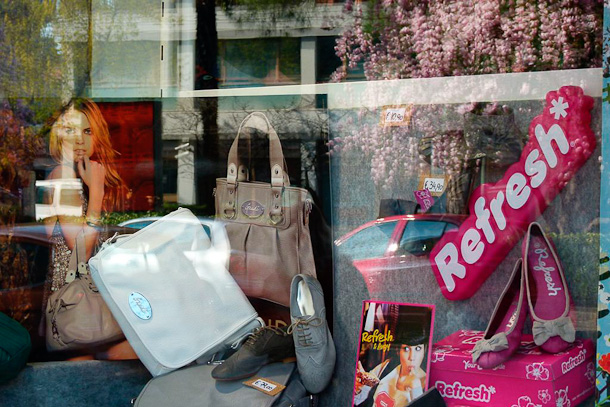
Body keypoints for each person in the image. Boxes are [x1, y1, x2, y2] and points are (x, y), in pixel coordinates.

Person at [42, 98, 135, 360]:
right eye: (70, 130)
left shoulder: (74, 175)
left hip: (86, 303)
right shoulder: (62, 175)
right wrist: (97, 193)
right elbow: (80, 247)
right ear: (59, 135)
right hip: (74, 306)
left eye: (87, 131)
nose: (79, 140)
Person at [354, 321, 428, 407]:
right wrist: (360, 386)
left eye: (418, 349)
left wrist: (416, 390)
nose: (412, 357)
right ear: (398, 351)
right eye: (406, 349)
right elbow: (358, 399)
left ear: (424, 351)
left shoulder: (426, 383)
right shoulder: (387, 366)